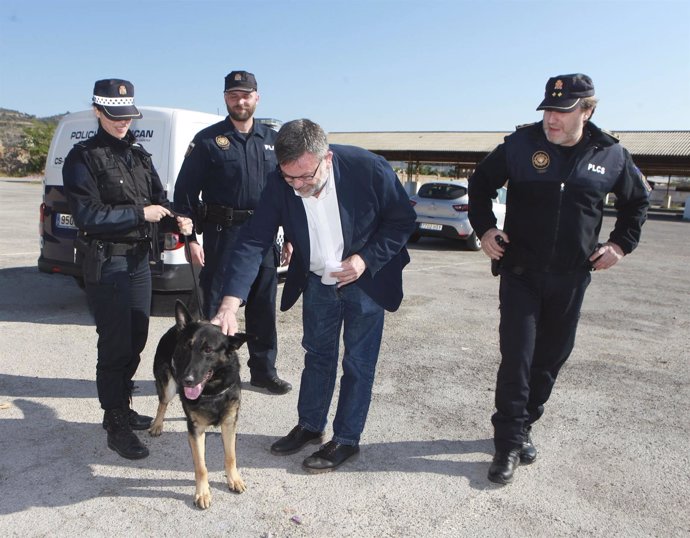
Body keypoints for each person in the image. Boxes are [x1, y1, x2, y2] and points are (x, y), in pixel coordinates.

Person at [468, 73, 650, 484]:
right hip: (521, 274)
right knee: (518, 358)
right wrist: (484, 229)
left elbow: (638, 201)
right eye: (548, 109)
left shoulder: (612, 154)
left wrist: (620, 245)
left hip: (571, 279)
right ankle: (508, 442)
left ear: (587, 111)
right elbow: (479, 184)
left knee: (550, 360)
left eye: (562, 111)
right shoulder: (520, 145)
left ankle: (525, 423)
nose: (551, 118)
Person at [211, 119, 417, 473]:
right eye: (290, 178)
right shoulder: (281, 184)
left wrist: (365, 260)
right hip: (318, 281)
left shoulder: (369, 168)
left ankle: (347, 440)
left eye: (306, 177)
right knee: (317, 356)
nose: (298, 186)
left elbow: (402, 220)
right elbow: (254, 239)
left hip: (365, 281)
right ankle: (310, 426)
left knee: (357, 364)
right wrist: (230, 303)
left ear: (328, 159)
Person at [63, 79, 192, 460]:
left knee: (136, 339)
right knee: (115, 343)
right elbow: (87, 215)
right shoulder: (82, 157)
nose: (123, 123)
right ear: (98, 112)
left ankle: (122, 404)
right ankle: (115, 420)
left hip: (138, 260)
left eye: (128, 116)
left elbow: (157, 200)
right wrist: (140, 214)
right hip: (108, 261)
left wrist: (174, 220)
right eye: (115, 116)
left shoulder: (138, 154)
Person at [173, 70, 291, 395]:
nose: (241, 101)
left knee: (263, 308)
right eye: (234, 95)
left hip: (264, 236)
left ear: (257, 97)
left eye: (246, 95)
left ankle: (264, 372)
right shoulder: (208, 141)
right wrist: (191, 239)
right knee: (218, 312)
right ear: (225, 98)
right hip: (222, 235)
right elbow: (184, 195)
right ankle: (214, 378)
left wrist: (291, 234)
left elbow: (288, 192)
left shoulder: (273, 140)